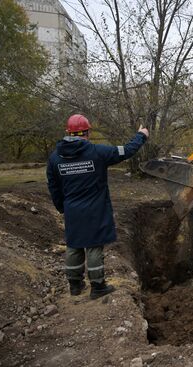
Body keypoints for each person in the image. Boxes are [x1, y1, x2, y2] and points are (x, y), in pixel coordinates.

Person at [46, 114, 149, 299]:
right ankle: (97, 287)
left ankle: (75, 286)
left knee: (74, 246)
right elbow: (126, 150)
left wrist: (62, 207)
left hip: (72, 209)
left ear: (67, 132)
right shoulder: (97, 152)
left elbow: (53, 186)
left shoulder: (55, 158)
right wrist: (141, 135)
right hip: (95, 209)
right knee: (93, 246)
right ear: (87, 132)